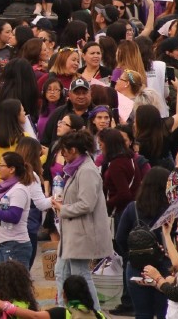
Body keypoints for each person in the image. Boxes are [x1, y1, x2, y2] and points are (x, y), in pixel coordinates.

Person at [52, 129, 113, 307]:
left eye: (64, 150)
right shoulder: (77, 169)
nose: (62, 154)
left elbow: (87, 204)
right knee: (61, 272)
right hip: (73, 234)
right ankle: (65, 311)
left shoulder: (87, 170)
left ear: (73, 150)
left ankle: (95, 312)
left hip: (83, 234)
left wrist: (63, 208)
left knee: (81, 275)